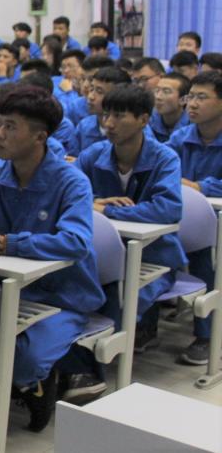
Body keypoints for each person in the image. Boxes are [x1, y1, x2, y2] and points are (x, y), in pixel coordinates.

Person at [0, 86, 104, 431]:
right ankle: (29, 383)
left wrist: (11, 244)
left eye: (10, 126)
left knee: (22, 363)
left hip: (61, 296)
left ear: (40, 136)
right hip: (2, 291)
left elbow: (75, 241)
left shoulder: (71, 181)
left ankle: (40, 382)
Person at [75, 85, 186, 352]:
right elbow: (66, 195)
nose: (109, 123)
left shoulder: (164, 158)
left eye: (119, 116)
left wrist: (107, 211)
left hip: (155, 255)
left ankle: (119, 348)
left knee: (121, 300)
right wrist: (91, 203)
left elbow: (168, 209)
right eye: (106, 115)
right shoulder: (93, 154)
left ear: (143, 119)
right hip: (101, 251)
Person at [167, 71, 222, 365]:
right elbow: (162, 170)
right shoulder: (181, 137)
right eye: (191, 97)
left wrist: (201, 187)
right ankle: (144, 326)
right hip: (185, 216)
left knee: (205, 255)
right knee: (152, 248)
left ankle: (207, 335)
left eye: (202, 97)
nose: (193, 104)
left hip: (216, 221)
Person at [74, 67, 133, 154]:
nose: (91, 96)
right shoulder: (84, 126)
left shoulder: (134, 131)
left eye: (99, 92)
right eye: (91, 89)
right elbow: (73, 158)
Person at [150, 72, 191, 142]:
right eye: (157, 90)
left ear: (183, 100)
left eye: (166, 92)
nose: (158, 97)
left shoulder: (193, 124)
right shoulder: (148, 120)